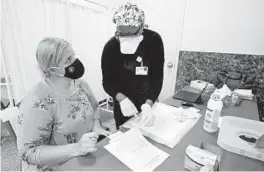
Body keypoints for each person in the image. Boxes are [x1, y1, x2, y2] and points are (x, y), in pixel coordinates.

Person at [17, 37, 110, 171]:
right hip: (57, 166)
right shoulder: (37, 102)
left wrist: (96, 126)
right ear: (53, 70)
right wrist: (76, 148)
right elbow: (28, 153)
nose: (75, 62)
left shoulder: (80, 84)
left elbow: (95, 107)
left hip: (84, 156)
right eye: (68, 60)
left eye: (73, 56)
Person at [101, 3, 164, 128]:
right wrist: (121, 99)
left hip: (148, 97)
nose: (126, 38)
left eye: (131, 33)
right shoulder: (111, 47)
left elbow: (157, 78)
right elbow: (107, 82)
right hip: (123, 101)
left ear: (140, 27)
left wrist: (149, 104)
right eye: (122, 34)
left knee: (149, 131)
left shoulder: (153, 40)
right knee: (125, 133)